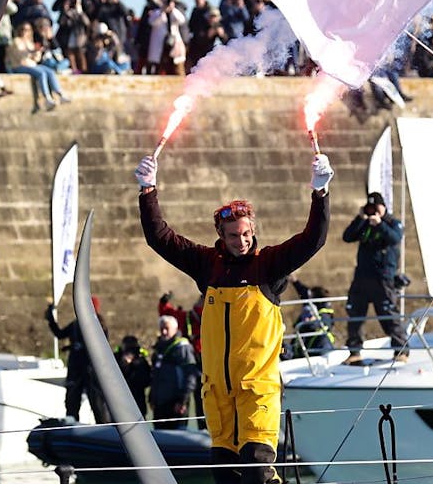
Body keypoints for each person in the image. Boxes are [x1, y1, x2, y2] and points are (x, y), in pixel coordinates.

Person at [136, 153, 332, 484]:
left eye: (245, 235)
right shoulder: (207, 265)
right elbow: (160, 237)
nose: (240, 242)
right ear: (220, 235)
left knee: (258, 472)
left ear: (252, 231)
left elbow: (313, 239)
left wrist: (320, 193)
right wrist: (147, 190)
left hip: (257, 392)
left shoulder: (269, 265)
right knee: (224, 476)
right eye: (232, 236)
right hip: (218, 394)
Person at [341, 192, 408, 366]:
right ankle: (354, 352)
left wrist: (380, 225)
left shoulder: (392, 223)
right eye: (369, 207)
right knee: (355, 315)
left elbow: (395, 238)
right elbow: (347, 237)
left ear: (383, 207)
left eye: (375, 207)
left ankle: (401, 350)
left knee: (389, 316)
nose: (373, 211)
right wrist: (360, 218)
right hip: (362, 278)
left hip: (383, 279)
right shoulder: (364, 223)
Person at [45, 297, 110, 424]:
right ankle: (71, 426)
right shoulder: (75, 325)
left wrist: (78, 347)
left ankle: (104, 428)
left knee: (97, 404)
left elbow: (102, 347)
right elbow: (59, 334)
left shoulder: (99, 325)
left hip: (91, 371)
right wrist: (51, 319)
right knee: (72, 403)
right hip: (76, 370)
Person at [158, 291, 206, 429]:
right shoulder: (214, 316)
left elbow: (168, 315)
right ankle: (205, 430)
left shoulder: (188, 317)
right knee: (203, 401)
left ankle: (188, 427)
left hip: (192, 365)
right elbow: (169, 316)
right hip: (204, 364)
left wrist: (164, 302)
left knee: (186, 399)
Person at [149, 315, 198, 430]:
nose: (164, 332)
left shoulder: (182, 347)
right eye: (162, 329)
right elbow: (156, 375)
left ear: (175, 329)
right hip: (160, 404)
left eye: (167, 329)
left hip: (175, 404)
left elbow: (190, 376)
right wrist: (152, 398)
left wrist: (182, 400)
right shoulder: (159, 348)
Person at [114, 335, 151, 417]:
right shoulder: (116, 359)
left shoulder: (141, 362)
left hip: (138, 402)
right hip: (120, 402)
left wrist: (135, 364)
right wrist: (124, 363)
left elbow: (147, 380)